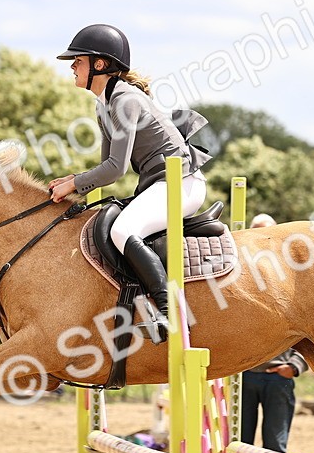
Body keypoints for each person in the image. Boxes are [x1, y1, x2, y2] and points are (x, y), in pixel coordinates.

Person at [48, 24, 212, 342]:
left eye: (77, 61)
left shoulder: (125, 101)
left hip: (182, 184)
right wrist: (74, 180)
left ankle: (168, 312)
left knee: (123, 230)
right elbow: (106, 166)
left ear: (100, 64)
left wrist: (75, 185)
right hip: (159, 184)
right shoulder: (104, 105)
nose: (71, 66)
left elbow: (115, 169)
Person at [239, 213, 307, 453]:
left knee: (275, 447)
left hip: (279, 376)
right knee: (241, 445)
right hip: (244, 376)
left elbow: (310, 329)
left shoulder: (294, 281)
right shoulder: (239, 280)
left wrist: (295, 366)